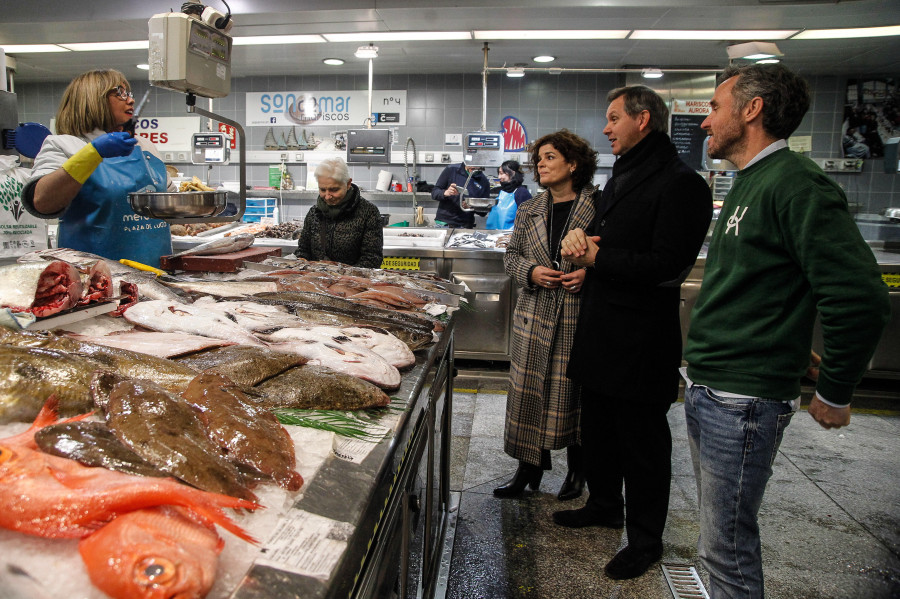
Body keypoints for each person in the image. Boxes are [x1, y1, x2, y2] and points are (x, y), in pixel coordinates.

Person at [682, 63, 890, 599]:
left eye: (713, 107)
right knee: (714, 545)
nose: (705, 122)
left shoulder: (797, 184)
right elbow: (771, 284)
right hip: (714, 387)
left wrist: (835, 389)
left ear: (751, 110)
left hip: (742, 400)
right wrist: (798, 347)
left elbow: (859, 294)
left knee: (726, 552)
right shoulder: (752, 180)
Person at [557, 86, 712, 580]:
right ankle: (604, 504)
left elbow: (669, 264)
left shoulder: (680, 182)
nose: (606, 128)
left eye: (614, 118)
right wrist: (586, 243)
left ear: (643, 120)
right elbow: (615, 239)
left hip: (641, 338)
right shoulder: (622, 174)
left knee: (642, 443)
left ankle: (646, 539)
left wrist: (599, 257)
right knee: (599, 428)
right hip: (602, 327)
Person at [496, 130, 596, 502]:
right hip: (535, 313)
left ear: (573, 164)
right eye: (539, 158)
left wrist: (588, 273)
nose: (540, 164)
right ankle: (528, 467)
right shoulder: (530, 208)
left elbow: (608, 253)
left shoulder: (597, 206)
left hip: (576, 312)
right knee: (527, 392)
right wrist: (531, 273)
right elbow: (512, 256)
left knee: (573, 393)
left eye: (550, 157)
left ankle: (578, 468)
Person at [22, 69, 173, 266]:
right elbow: (42, 201)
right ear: (92, 98)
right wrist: (93, 154)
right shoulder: (63, 145)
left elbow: (171, 202)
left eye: (130, 94)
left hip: (155, 270)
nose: (130, 101)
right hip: (93, 279)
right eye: (120, 92)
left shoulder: (146, 147)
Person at [295, 157, 383, 268]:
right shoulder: (314, 213)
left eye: (334, 190)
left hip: (353, 282)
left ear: (348, 184)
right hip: (316, 281)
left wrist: (339, 275)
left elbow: (372, 259)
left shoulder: (368, 213)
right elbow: (303, 250)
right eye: (322, 189)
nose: (327, 196)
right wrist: (301, 261)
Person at [430, 161, 491, 228]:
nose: (473, 167)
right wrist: (445, 193)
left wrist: (472, 206)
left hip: (465, 226)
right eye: (470, 165)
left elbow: (483, 212)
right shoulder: (451, 169)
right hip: (443, 224)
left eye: (476, 166)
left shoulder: (484, 182)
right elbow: (434, 193)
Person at [485, 160, 531, 230]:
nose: (499, 177)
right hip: (494, 234)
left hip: (511, 237)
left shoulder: (521, 193)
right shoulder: (502, 192)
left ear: (512, 173)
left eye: (501, 173)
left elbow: (527, 220)